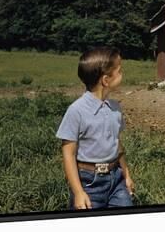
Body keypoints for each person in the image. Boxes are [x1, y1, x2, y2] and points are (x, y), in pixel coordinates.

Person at [56, 46, 135, 210]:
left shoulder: (115, 107)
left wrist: (126, 175)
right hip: (89, 182)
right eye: (119, 71)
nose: (122, 74)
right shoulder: (76, 111)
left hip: (116, 178)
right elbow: (68, 153)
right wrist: (78, 192)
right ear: (106, 80)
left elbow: (117, 145)